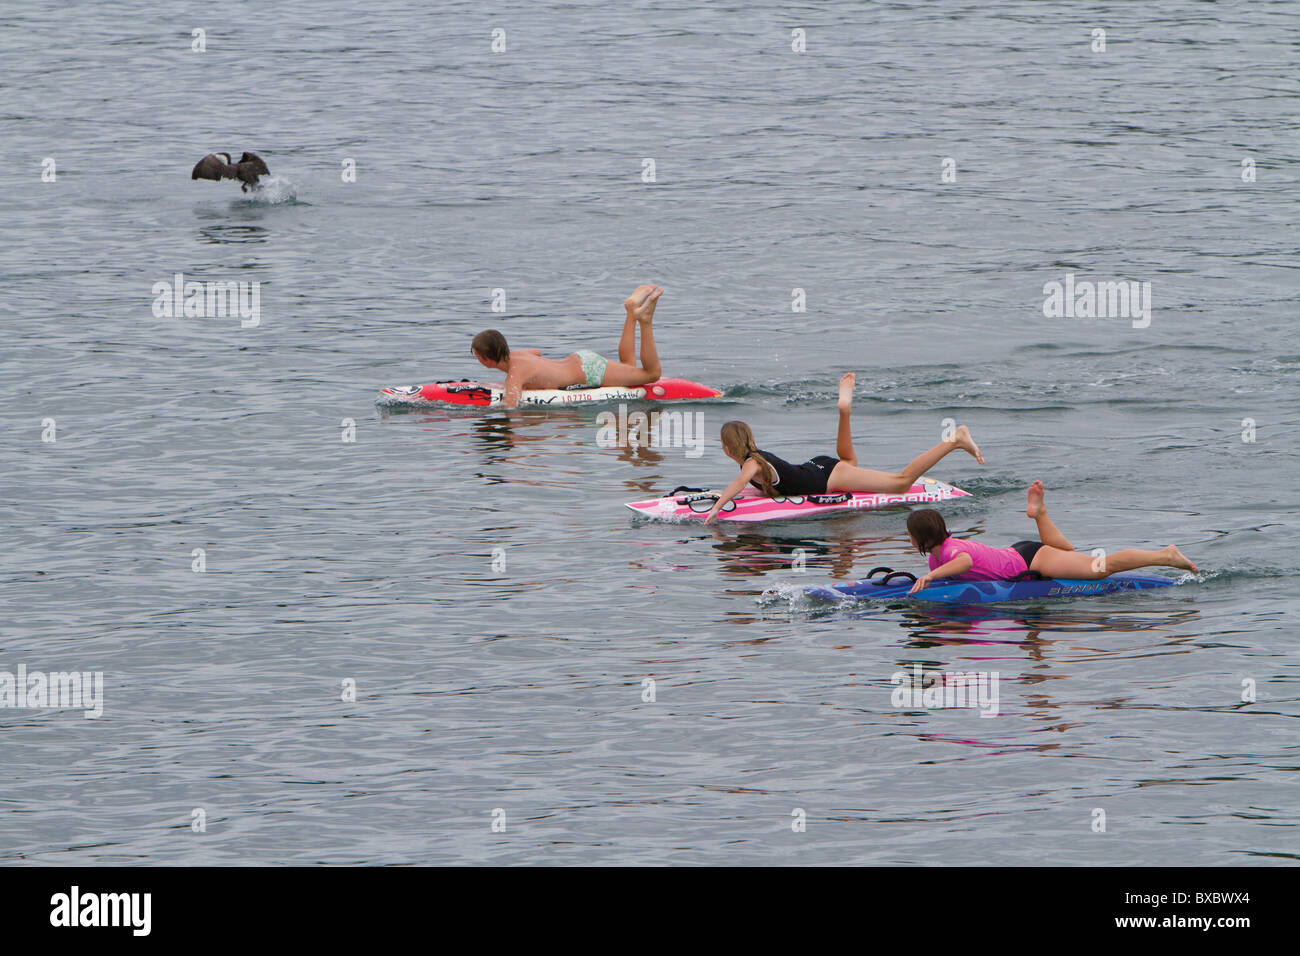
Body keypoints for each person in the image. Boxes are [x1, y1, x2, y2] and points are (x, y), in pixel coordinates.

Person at [702, 373, 984, 523]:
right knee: (849, 459)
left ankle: (954, 440)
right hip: (819, 466)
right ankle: (844, 411)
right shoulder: (754, 460)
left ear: (727, 448)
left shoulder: (751, 464)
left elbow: (741, 481)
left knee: (900, 483)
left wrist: (716, 508)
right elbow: (746, 481)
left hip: (828, 477)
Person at [905, 480, 1198, 592]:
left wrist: (930, 579)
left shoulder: (952, 552)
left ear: (921, 537)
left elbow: (966, 563)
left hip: (1030, 560)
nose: (908, 540)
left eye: (909, 535)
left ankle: (1165, 556)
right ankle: (1040, 514)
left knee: (1100, 568)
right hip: (1020, 554)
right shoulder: (937, 558)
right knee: (1069, 552)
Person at [471, 285, 664, 408]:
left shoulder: (514, 375)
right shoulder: (517, 355)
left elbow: (511, 408)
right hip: (579, 361)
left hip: (588, 371)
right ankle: (631, 311)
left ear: (485, 359)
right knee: (628, 367)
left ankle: (645, 322)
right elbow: (536, 352)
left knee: (651, 374)